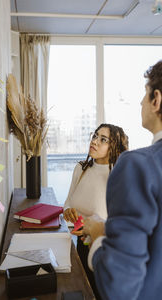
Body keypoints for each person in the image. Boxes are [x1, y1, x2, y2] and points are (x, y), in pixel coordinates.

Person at [83, 60, 162, 300]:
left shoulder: (136, 166)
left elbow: (120, 288)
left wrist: (98, 236)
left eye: (144, 94)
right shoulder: (82, 169)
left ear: (156, 99)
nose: (140, 102)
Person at [63, 123, 128, 297]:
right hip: (81, 247)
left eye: (103, 139)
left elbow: (122, 220)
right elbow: (68, 202)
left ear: (113, 146)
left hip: (104, 249)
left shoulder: (117, 176)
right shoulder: (81, 169)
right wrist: (68, 210)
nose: (95, 141)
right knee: (82, 291)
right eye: (95, 136)